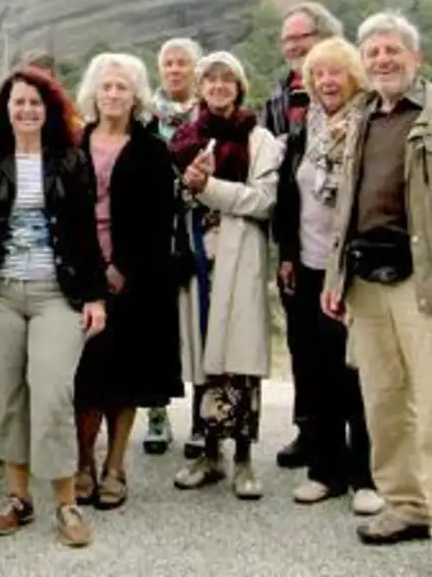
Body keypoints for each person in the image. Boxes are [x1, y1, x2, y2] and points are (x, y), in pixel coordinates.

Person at [321, 12, 432, 577]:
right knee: (384, 407)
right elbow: (343, 203)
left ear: (415, 57)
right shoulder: (359, 117)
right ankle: (406, 506)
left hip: (430, 284)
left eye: (392, 50)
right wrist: (334, 279)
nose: (382, 60)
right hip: (365, 282)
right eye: (373, 52)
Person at [0, 67, 108, 548]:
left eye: (35, 102)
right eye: (18, 102)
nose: (27, 110)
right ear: (6, 109)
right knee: (8, 395)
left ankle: (66, 502)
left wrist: (95, 296)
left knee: (53, 391)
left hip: (56, 293)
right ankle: (18, 498)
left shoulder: (71, 160)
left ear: (49, 109)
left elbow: (85, 235)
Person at [274, 38, 384, 517]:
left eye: (336, 72)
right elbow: (289, 194)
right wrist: (287, 254)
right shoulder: (306, 129)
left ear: (354, 77)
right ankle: (326, 470)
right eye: (318, 75)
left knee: (355, 373)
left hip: (352, 271)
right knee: (316, 373)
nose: (327, 82)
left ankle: (367, 476)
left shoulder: (369, 126)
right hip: (308, 266)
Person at [169, 52, 283, 501]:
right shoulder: (185, 138)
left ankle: (244, 459)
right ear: (200, 88)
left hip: (240, 258)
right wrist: (186, 185)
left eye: (227, 79)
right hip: (199, 259)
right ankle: (209, 453)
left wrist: (209, 187)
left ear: (239, 87)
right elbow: (175, 196)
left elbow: (264, 201)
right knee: (205, 357)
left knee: (239, 360)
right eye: (210, 79)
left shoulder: (259, 139)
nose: (218, 86)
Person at [70, 53, 181, 510]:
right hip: (81, 277)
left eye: (122, 87)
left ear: (135, 95)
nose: (113, 94)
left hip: (136, 280)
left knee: (126, 375)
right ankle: (83, 462)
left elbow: (160, 221)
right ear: (94, 93)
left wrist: (122, 269)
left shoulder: (152, 149)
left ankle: (115, 466)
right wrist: (89, 271)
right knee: (86, 377)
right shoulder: (75, 144)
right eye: (106, 86)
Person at [264, 2, 346, 469]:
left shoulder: (353, 93)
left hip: (346, 247)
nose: (292, 46)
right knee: (304, 344)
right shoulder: (279, 98)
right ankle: (311, 432)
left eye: (301, 37)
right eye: (287, 39)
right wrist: (285, 251)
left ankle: (357, 448)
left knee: (344, 349)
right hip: (298, 240)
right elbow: (277, 180)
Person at [145, 37, 202, 458]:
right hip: (154, 233)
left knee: (200, 325)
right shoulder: (146, 119)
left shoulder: (208, 117)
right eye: (169, 63)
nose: (176, 70)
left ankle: (202, 419)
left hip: (198, 228)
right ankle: (157, 415)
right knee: (157, 326)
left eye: (183, 63)